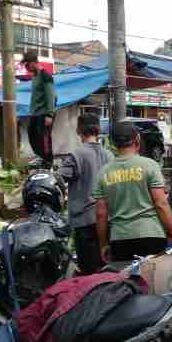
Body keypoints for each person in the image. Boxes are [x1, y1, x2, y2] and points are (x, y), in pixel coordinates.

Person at [94, 121, 172, 263]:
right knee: (152, 282)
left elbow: (101, 214)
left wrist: (103, 245)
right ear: (137, 139)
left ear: (112, 143)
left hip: (119, 238)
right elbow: (161, 204)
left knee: (126, 283)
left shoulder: (103, 172)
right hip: (151, 235)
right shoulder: (150, 166)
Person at [58, 113, 112, 275]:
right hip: (107, 219)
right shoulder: (109, 155)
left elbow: (59, 179)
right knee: (105, 267)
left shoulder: (76, 155)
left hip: (84, 221)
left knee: (88, 270)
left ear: (78, 130)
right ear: (98, 130)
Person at [22, 50, 55, 168]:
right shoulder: (35, 77)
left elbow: (51, 96)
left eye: (27, 64)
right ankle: (41, 158)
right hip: (35, 113)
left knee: (44, 140)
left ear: (33, 62)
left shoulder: (45, 76)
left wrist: (49, 114)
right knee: (32, 136)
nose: (26, 67)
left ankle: (48, 163)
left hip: (44, 114)